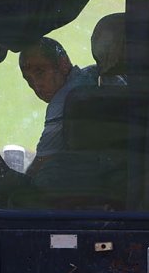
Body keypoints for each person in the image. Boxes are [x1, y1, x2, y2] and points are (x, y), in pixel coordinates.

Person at [16, 38, 93, 175]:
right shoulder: (92, 74)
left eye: (40, 72)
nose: (36, 85)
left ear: (63, 64)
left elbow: (40, 166)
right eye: (29, 79)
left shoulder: (62, 101)